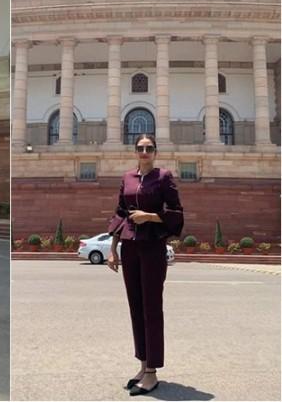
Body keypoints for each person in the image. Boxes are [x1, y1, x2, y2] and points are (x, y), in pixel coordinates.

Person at [106, 134, 184, 396]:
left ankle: (152, 372)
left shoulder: (163, 177)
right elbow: (120, 213)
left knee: (152, 307)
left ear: (155, 152)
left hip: (152, 246)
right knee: (136, 307)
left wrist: (149, 216)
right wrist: (112, 250)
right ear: (135, 151)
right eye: (140, 148)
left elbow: (176, 212)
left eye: (149, 148)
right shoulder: (127, 178)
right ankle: (142, 365)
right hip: (129, 247)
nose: (145, 151)